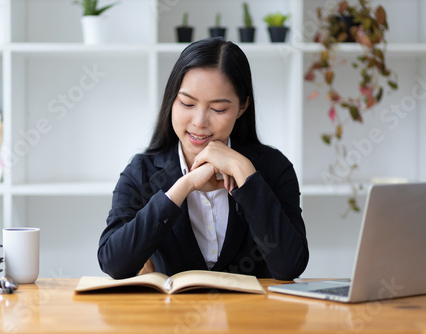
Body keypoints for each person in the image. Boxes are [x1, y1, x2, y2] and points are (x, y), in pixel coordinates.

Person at [97, 37, 308, 280]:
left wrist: (247, 175)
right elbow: (113, 262)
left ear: (242, 107)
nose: (199, 121)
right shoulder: (142, 171)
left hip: (252, 316)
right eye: (187, 103)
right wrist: (183, 187)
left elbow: (290, 265)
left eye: (218, 109)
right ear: (171, 100)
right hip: (172, 315)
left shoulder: (273, 168)